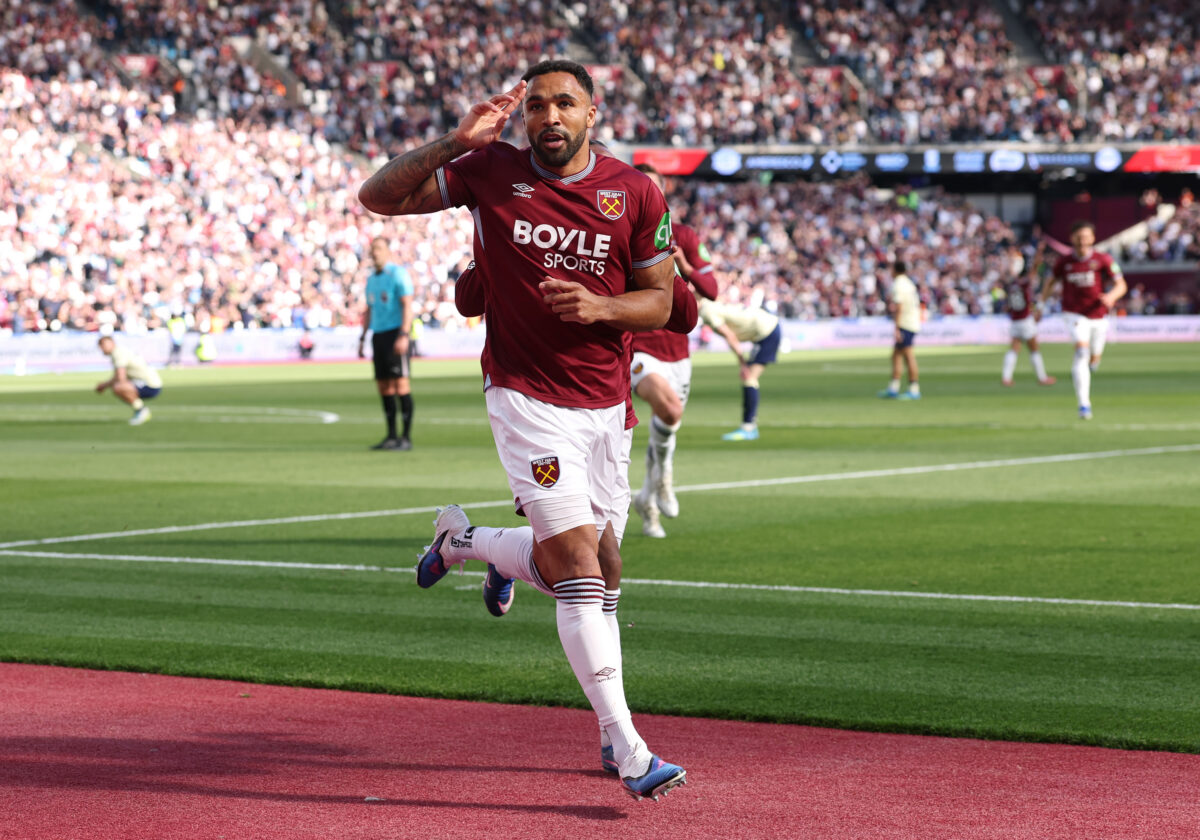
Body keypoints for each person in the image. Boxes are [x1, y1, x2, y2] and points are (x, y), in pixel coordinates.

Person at [358, 59, 686, 801]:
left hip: (605, 409)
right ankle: (629, 749)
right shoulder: (489, 170)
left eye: (563, 103)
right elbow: (377, 197)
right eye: (536, 105)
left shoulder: (634, 191)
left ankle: (469, 545)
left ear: (591, 113)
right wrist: (454, 140)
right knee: (577, 568)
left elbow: (660, 302)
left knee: (602, 577)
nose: (548, 116)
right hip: (524, 397)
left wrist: (601, 309)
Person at [629, 163, 718, 537]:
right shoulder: (616, 231)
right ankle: (663, 478)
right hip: (639, 346)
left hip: (678, 352)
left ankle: (648, 498)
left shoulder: (683, 235)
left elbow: (711, 289)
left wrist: (682, 264)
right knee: (670, 408)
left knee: (667, 425)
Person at [1041, 221, 1127, 420]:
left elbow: (1121, 284)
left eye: (1086, 236)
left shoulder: (1103, 259)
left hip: (1098, 315)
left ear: (1093, 238)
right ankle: (1084, 405)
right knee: (1081, 352)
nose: (1082, 241)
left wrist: (1111, 297)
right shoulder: (1064, 262)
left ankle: (1090, 366)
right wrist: (1040, 305)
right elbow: (1050, 282)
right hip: (1073, 314)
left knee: (1094, 357)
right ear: (1072, 238)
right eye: (1078, 237)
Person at [358, 237, 415, 451]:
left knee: (401, 384)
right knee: (384, 386)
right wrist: (363, 338)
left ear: (388, 251)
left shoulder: (397, 274)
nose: (375, 254)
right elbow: (369, 310)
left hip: (395, 333)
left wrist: (403, 333)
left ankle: (405, 438)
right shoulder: (372, 279)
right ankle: (391, 436)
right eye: (372, 250)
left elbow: (407, 305)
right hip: (378, 335)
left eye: (379, 249)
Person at [698, 294, 782, 441]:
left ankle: (748, 428)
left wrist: (742, 363)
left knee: (749, 378)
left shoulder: (707, 312)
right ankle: (749, 426)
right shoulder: (708, 304)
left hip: (767, 332)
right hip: (767, 327)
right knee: (748, 378)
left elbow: (730, 336)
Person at [1000, 249, 1056, 387]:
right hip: (1025, 319)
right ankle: (1042, 378)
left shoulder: (1011, 285)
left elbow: (1008, 305)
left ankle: (1006, 377)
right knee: (1034, 349)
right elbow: (1034, 271)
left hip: (1014, 320)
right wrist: (1038, 258)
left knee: (1014, 348)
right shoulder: (1024, 283)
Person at [95, 334, 162, 425]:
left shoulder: (118, 353)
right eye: (101, 346)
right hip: (145, 382)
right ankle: (140, 410)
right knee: (118, 386)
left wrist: (104, 385)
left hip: (149, 384)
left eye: (104, 345)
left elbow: (120, 377)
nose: (102, 348)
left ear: (112, 343)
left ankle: (141, 410)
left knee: (119, 387)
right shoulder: (119, 352)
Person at [879, 260, 921, 400]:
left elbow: (899, 307)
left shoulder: (898, 285)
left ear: (895, 270)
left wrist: (896, 328)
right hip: (911, 321)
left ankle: (914, 389)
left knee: (908, 355)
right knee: (896, 355)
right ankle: (893, 388)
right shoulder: (908, 283)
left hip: (906, 323)